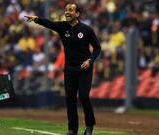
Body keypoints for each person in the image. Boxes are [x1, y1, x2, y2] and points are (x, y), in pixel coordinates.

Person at [25, 2, 101, 135]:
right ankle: (72, 129)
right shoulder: (62, 27)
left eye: (70, 10)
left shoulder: (86, 30)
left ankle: (89, 126)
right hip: (70, 70)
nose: (67, 12)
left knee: (83, 97)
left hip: (84, 69)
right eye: (66, 10)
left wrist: (90, 60)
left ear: (77, 14)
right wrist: (37, 19)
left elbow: (97, 48)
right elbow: (49, 23)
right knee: (70, 99)